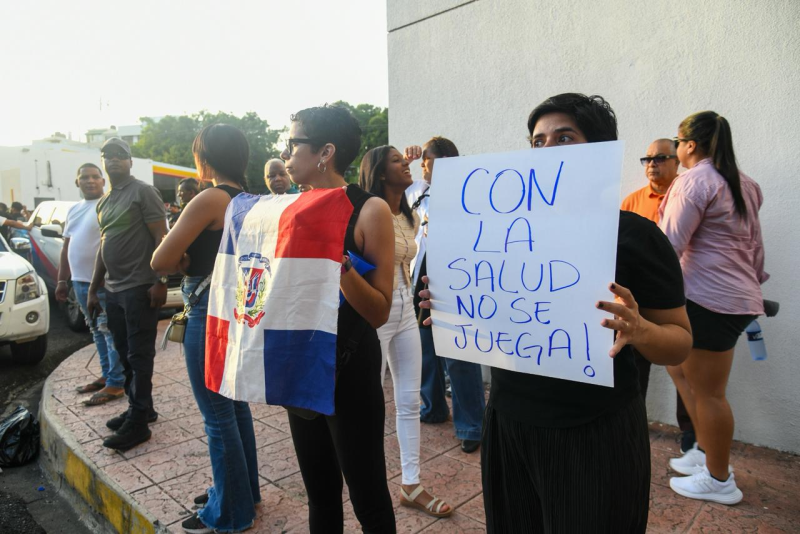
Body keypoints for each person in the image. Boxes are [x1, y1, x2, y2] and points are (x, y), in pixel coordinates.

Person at [419, 93, 692, 532]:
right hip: (508, 422)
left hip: (593, 433)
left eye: (563, 138)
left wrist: (641, 329)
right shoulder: (494, 232)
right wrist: (456, 305)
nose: (546, 151)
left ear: (599, 151)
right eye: (537, 141)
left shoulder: (633, 235)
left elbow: (679, 343)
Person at [280, 105, 396, 533]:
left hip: (349, 367)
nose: (286, 153)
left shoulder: (369, 210)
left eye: (294, 143)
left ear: (325, 152)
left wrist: (340, 264)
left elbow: (379, 311)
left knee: (369, 497)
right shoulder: (289, 208)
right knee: (320, 494)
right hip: (300, 362)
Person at [152, 124, 259, 533]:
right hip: (236, 310)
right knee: (235, 407)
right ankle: (243, 492)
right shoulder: (251, 198)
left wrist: (182, 260)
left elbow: (160, 260)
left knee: (217, 416)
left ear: (206, 158)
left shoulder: (210, 198)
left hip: (207, 312)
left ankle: (230, 512)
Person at [660, 111, 767, 505]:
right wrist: (755, 281)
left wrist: (647, 284)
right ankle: (704, 452)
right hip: (731, 295)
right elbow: (754, 243)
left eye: (677, 143)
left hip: (710, 298)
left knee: (710, 393)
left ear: (689, 145)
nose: (676, 149)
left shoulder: (695, 180)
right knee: (680, 370)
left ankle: (720, 479)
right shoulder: (744, 182)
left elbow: (669, 243)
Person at [359, 146, 452, 518]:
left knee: (410, 401)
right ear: (381, 172)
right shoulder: (368, 211)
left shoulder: (408, 211)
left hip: (405, 309)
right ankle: (369, 487)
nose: (407, 164)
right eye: (397, 161)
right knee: (368, 406)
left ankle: (411, 483)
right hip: (377, 313)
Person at [404, 138, 486, 454]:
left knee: (459, 351)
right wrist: (406, 161)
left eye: (428, 161)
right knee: (425, 346)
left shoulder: (470, 191)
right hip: (422, 272)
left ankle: (471, 425)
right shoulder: (416, 191)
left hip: (456, 275)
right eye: (423, 162)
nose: (424, 167)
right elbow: (389, 190)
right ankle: (433, 407)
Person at [87, 137, 168, 451]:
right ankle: (143, 408)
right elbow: (103, 247)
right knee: (123, 352)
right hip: (113, 290)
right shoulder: (105, 201)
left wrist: (161, 280)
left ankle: (138, 423)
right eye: (108, 155)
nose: (114, 159)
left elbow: (162, 238)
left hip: (139, 287)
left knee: (139, 354)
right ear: (103, 162)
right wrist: (94, 288)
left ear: (130, 161)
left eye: (120, 155)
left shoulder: (143, 192)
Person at [622, 138, 695, 452]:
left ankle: (691, 433)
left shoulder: (687, 195)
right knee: (635, 364)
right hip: (636, 301)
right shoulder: (632, 201)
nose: (652, 164)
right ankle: (631, 422)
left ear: (677, 161)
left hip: (682, 296)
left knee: (685, 368)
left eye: (661, 158)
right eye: (647, 159)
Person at [55, 163, 125, 406]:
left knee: (108, 331)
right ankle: (107, 376)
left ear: (103, 181)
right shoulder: (74, 210)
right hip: (79, 282)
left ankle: (116, 382)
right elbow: (67, 247)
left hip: (103, 284)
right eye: (85, 177)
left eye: (96, 176)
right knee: (96, 330)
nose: (90, 181)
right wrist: (62, 280)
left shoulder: (109, 205)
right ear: (77, 182)